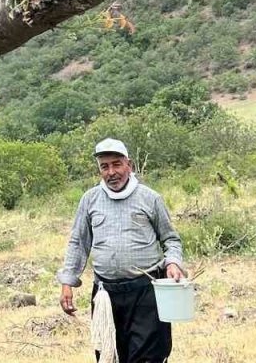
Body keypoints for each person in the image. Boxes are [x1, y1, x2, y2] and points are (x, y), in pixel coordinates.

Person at [58, 138, 185, 363]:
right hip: (106, 294)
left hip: (146, 293)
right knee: (109, 356)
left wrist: (173, 262)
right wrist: (68, 282)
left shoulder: (150, 198)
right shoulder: (90, 200)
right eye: (104, 167)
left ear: (130, 165)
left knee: (149, 357)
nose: (111, 172)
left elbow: (171, 239)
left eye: (117, 164)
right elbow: (78, 242)